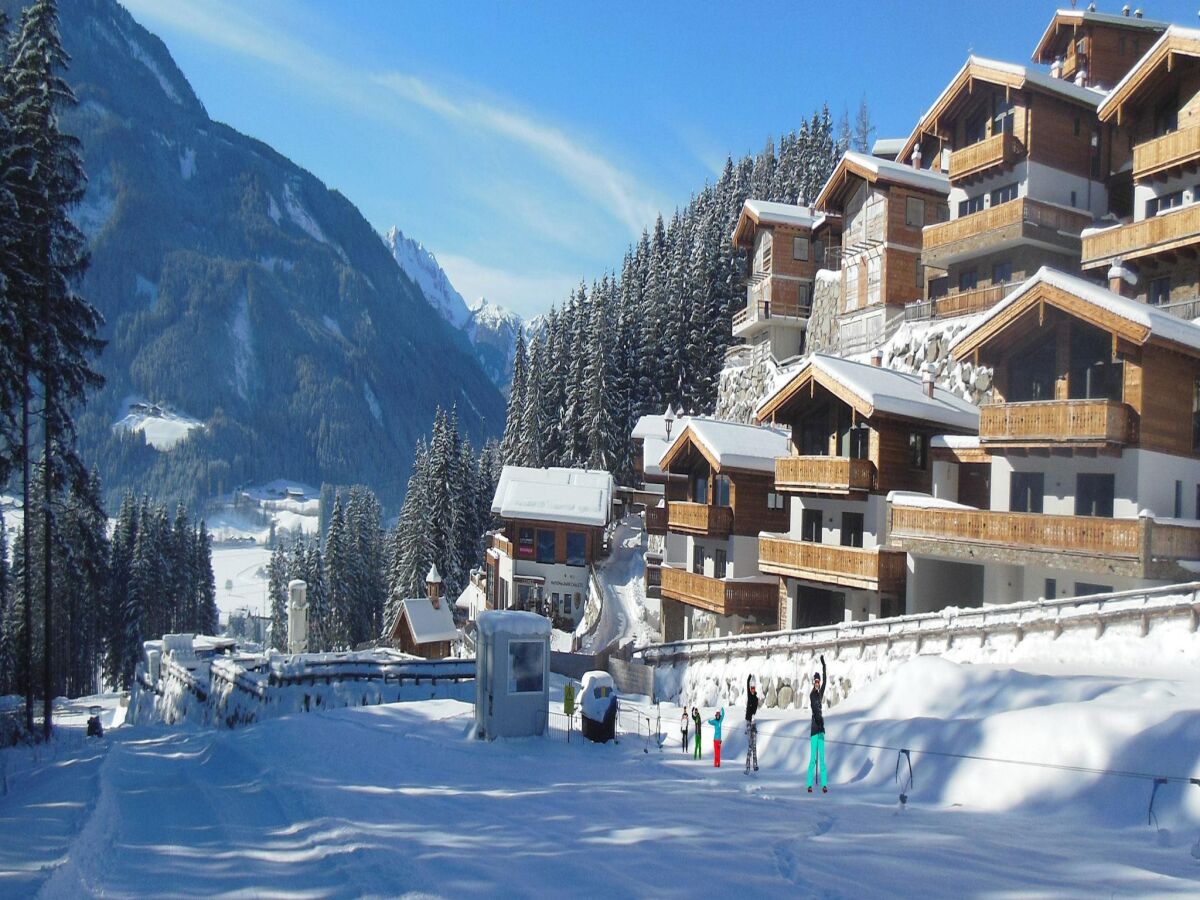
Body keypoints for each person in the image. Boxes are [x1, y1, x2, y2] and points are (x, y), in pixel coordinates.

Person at [807, 655, 828, 794]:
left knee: (822, 759)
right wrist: (818, 720)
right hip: (815, 729)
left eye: (818, 682)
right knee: (812, 760)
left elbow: (826, 681)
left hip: (821, 730)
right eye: (815, 681)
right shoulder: (812, 695)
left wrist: (824, 667)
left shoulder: (820, 693)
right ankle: (809, 784)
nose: (817, 683)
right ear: (813, 683)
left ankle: (824, 784)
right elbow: (815, 708)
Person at [744, 674, 759, 774]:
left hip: (753, 722)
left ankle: (755, 765)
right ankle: (748, 766)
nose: (752, 689)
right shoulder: (749, 696)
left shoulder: (756, 699)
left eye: (753, 688)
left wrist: (753, 717)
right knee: (750, 745)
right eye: (751, 688)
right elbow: (747, 687)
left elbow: (755, 709)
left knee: (754, 745)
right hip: (748, 721)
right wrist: (748, 679)